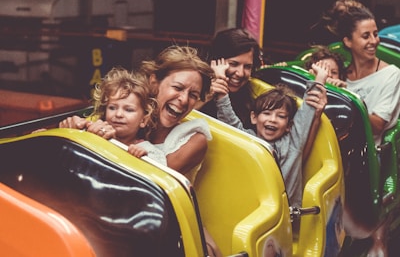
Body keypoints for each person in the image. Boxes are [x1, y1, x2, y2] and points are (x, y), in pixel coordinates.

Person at [59, 45, 222, 257]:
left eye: (193, 95)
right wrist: (73, 128)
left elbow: (146, 182)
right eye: (178, 88)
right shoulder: (126, 115)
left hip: (160, 218)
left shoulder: (194, 139)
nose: (183, 100)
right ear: (154, 82)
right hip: (113, 215)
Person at [211, 58, 329, 208]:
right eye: (267, 113)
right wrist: (221, 80)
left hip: (285, 217)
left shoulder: (293, 143)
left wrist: (319, 79)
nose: (273, 120)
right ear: (254, 117)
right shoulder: (247, 139)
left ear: (288, 126)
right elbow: (228, 118)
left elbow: (307, 110)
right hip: (254, 210)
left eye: (280, 116)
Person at [326, 5, 400, 146]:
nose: (374, 41)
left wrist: (345, 97)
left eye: (376, 34)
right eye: (366, 36)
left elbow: (377, 126)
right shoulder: (341, 73)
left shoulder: (391, 75)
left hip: (366, 155)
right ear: (348, 41)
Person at [196, 27, 263, 131]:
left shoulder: (250, 101)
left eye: (247, 67)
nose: (240, 73)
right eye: (233, 64)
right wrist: (207, 96)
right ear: (215, 61)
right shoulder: (192, 85)